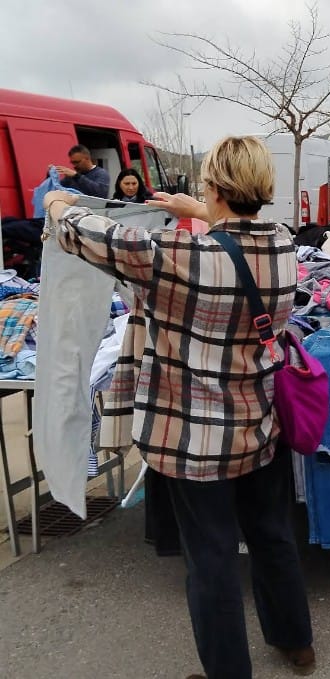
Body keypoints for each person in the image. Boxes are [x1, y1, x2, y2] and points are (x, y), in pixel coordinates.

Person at [43, 136, 315, 678]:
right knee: (272, 537)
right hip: (260, 424)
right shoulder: (284, 245)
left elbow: (97, 234)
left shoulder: (180, 257)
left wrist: (56, 204)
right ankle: (296, 645)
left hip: (194, 439)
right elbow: (239, 237)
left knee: (211, 560)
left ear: (212, 187)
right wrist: (201, 212)